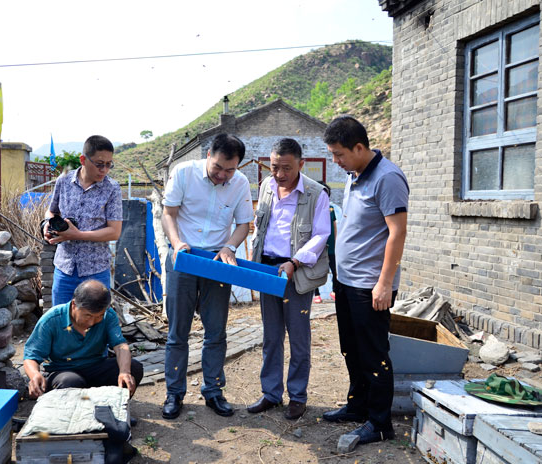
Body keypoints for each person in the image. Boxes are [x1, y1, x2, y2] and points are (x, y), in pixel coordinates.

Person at [321, 116, 409, 446]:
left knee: (374, 354)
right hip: (347, 281)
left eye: (339, 154)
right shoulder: (354, 175)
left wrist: (385, 283)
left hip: (370, 285)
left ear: (359, 147)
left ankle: (380, 423)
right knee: (352, 349)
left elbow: (397, 232)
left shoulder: (387, 178)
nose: (335, 161)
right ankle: (358, 406)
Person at [160, 133, 254, 419]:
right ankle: (174, 393)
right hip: (184, 258)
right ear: (209, 155)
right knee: (178, 332)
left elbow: (244, 224)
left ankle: (213, 390)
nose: (223, 175)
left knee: (216, 331)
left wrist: (229, 247)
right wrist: (177, 243)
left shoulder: (240, 183)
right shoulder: (184, 173)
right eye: (218, 168)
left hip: (216, 263)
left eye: (230, 170)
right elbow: (168, 213)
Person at [247, 138, 331, 420]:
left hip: (296, 271)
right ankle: (271, 393)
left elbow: (321, 235)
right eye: (274, 167)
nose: (279, 174)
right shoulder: (266, 187)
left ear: (301, 164)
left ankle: (297, 396)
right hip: (268, 269)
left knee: (298, 337)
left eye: (286, 168)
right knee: (271, 336)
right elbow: (260, 227)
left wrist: (295, 261)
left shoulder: (316, 193)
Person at [23, 279, 143, 399]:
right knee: (70, 382)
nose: (91, 322)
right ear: (74, 305)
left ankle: (112, 407)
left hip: (95, 368)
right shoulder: (52, 319)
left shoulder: (109, 316)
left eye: (99, 316)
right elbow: (31, 356)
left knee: (134, 368)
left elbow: (120, 346)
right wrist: (34, 375)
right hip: (63, 372)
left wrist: (124, 372)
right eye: (88, 315)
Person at [44, 135, 122, 305]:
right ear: (83, 160)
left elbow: (114, 232)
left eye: (109, 164)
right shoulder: (63, 181)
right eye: (99, 164)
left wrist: (77, 235)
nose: (104, 170)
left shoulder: (112, 188)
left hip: (96, 270)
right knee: (61, 318)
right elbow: (51, 211)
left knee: (94, 320)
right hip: (64, 268)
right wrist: (47, 223)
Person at [313, 197, 342, 304]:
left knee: (335, 270)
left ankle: (334, 291)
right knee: (315, 271)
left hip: (331, 246)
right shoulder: (314, 209)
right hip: (319, 246)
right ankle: (317, 294)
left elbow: (334, 226)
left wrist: (336, 242)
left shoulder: (331, 209)